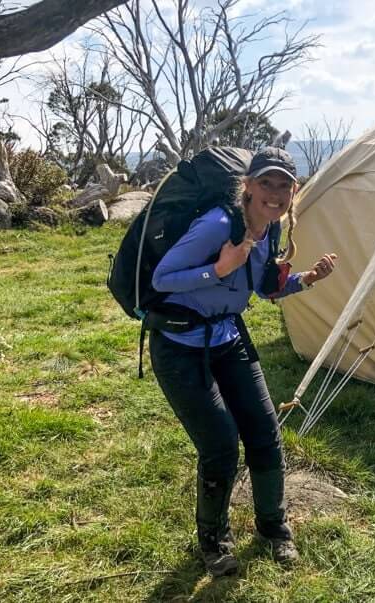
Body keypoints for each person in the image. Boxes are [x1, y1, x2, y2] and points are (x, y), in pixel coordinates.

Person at [148, 147, 337, 576]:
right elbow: (163, 278)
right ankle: (213, 541)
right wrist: (217, 268)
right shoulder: (217, 225)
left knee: (266, 434)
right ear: (247, 186)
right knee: (219, 446)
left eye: (283, 185)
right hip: (180, 345)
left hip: (228, 337)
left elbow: (263, 288)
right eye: (266, 183)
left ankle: (274, 528)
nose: (275, 192)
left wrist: (306, 280)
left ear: (293, 192)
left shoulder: (269, 230)